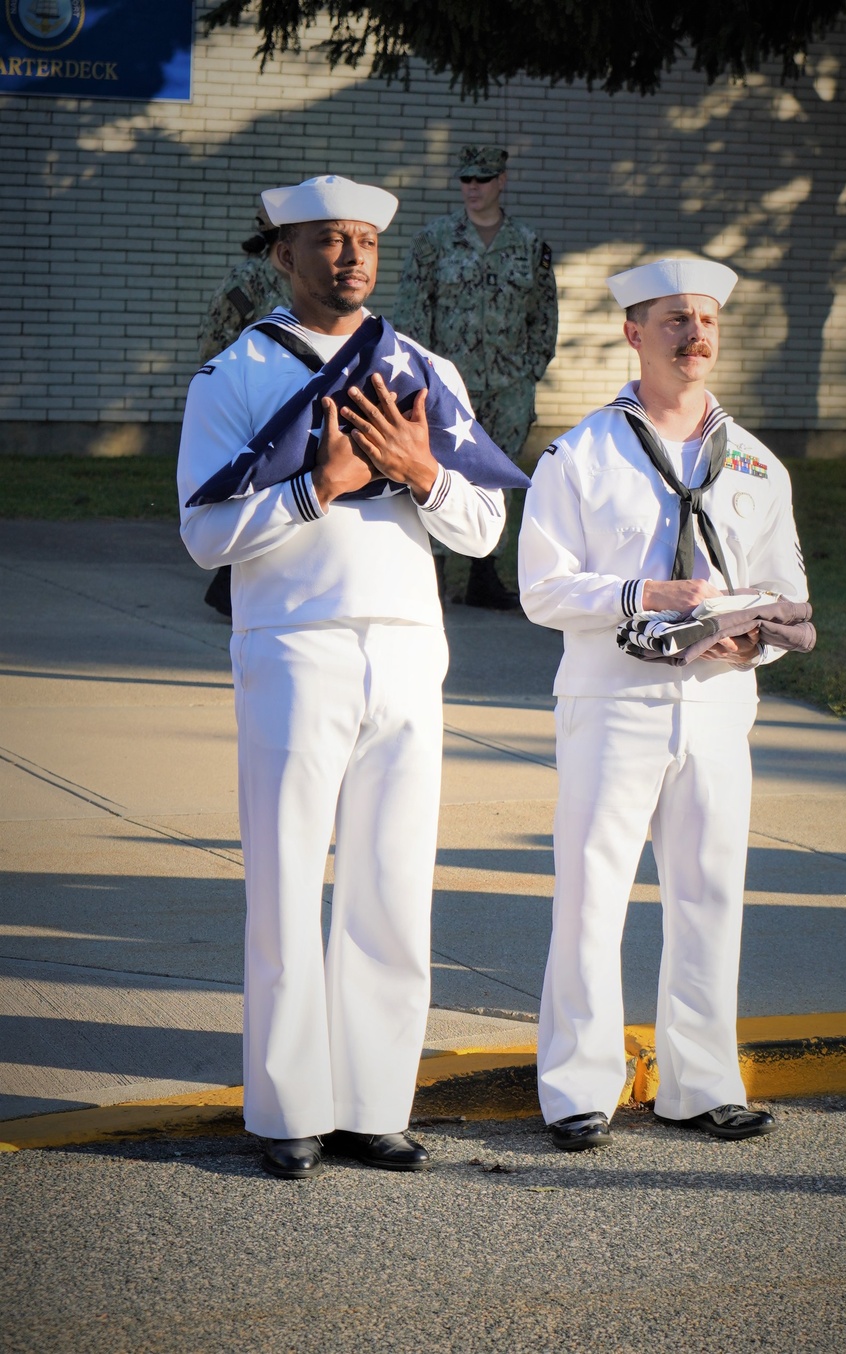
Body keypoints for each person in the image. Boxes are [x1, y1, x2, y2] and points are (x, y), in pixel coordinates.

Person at [177, 175, 506, 1180]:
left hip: (407, 649)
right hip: (295, 647)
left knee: (393, 888)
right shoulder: (231, 374)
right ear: (281, 255)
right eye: (327, 241)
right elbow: (202, 533)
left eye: (363, 240)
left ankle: (374, 1106)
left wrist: (421, 471)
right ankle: (286, 1111)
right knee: (283, 885)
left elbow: (484, 524)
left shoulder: (425, 367)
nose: (351, 257)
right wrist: (315, 488)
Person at [518, 256, 809, 1151]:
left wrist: (753, 635)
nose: (695, 335)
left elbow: (792, 595)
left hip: (719, 705)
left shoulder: (757, 463)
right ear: (633, 333)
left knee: (710, 894)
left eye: (708, 321)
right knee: (592, 896)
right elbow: (542, 590)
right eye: (674, 320)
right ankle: (578, 1090)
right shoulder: (582, 453)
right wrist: (645, 599)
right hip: (615, 701)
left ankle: (700, 1084)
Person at [394, 145, 558, 608]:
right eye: (466, 179)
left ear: (501, 181)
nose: (473, 188)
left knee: (496, 472)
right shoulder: (435, 241)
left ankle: (484, 577)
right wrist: (418, 378)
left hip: (508, 387)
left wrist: (528, 371)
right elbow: (412, 310)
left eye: (482, 179)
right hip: (447, 383)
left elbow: (544, 315)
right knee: (438, 468)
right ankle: (435, 574)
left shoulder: (529, 246)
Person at [197, 212, 293, 619]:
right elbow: (214, 345)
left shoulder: (304, 278)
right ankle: (228, 589)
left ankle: (241, 589)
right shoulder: (246, 283)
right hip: (250, 404)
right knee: (251, 495)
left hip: (291, 403)